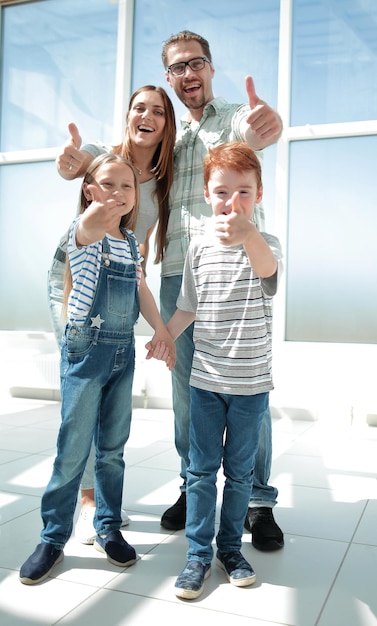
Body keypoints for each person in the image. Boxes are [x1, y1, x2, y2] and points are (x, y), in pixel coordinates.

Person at [20, 153, 176, 585]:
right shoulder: (82, 233)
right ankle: (53, 538)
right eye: (107, 184)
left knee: (112, 449)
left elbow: (141, 289)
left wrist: (162, 331)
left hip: (122, 353)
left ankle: (107, 527)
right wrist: (95, 212)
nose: (118, 194)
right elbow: (88, 225)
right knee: (73, 450)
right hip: (86, 353)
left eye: (127, 187)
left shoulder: (129, 244)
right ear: (89, 190)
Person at [159, 30, 284, 551]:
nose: (189, 74)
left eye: (197, 64)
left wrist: (268, 123)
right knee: (190, 394)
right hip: (178, 269)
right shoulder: (164, 137)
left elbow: (259, 132)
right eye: (178, 68)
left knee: (247, 385)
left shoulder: (233, 116)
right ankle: (196, 487)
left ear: (211, 68)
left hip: (235, 264)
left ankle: (257, 500)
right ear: (169, 77)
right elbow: (123, 158)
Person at [49, 85, 176, 544]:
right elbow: (79, 178)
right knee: (79, 392)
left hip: (123, 271)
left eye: (158, 111)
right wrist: (71, 163)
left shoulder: (164, 178)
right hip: (78, 273)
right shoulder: (105, 160)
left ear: (166, 124)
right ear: (128, 116)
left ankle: (105, 504)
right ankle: (84, 500)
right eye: (139, 108)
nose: (148, 116)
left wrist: (160, 326)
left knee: (112, 421)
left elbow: (140, 256)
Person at [164, 142, 283, 599]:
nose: (232, 201)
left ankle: (230, 549)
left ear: (259, 196)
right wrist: (163, 335)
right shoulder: (197, 246)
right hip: (206, 382)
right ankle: (197, 555)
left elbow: (269, 277)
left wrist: (249, 234)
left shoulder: (265, 244)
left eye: (245, 192)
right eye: (222, 191)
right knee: (199, 471)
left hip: (251, 386)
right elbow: (187, 308)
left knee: (239, 475)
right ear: (206, 193)